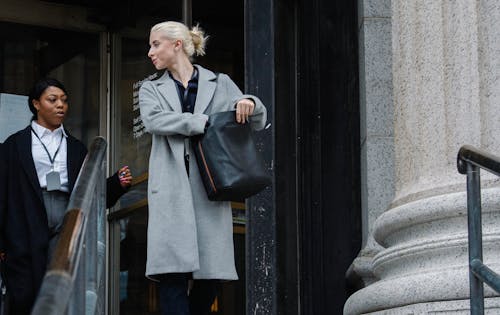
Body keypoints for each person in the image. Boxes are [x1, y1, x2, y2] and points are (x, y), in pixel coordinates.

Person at [139, 21, 267, 315]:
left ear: (177, 45)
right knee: (172, 277)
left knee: (210, 279)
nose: (150, 52)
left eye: (155, 44)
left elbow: (256, 116)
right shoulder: (151, 88)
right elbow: (154, 120)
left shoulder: (219, 82)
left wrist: (249, 101)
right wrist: (201, 122)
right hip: (171, 190)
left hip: (209, 188)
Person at [0, 78, 133, 315]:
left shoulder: (77, 148)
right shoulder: (13, 145)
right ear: (36, 104)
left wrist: (115, 185)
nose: (60, 105)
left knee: (62, 277)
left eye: (64, 100)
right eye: (52, 100)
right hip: (26, 214)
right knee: (24, 286)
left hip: (67, 212)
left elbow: (90, 192)